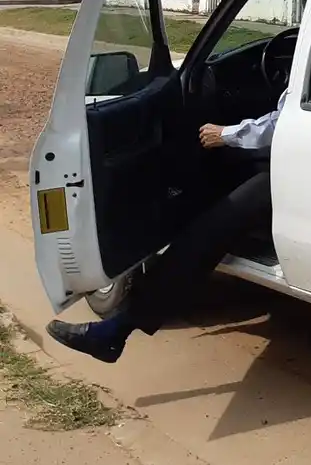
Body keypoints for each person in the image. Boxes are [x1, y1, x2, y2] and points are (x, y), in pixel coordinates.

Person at [44, 97, 285, 364]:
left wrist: (226, 133)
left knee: (210, 232)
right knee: (216, 175)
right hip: (294, 158)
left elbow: (287, 123)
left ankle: (116, 331)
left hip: (292, 168)